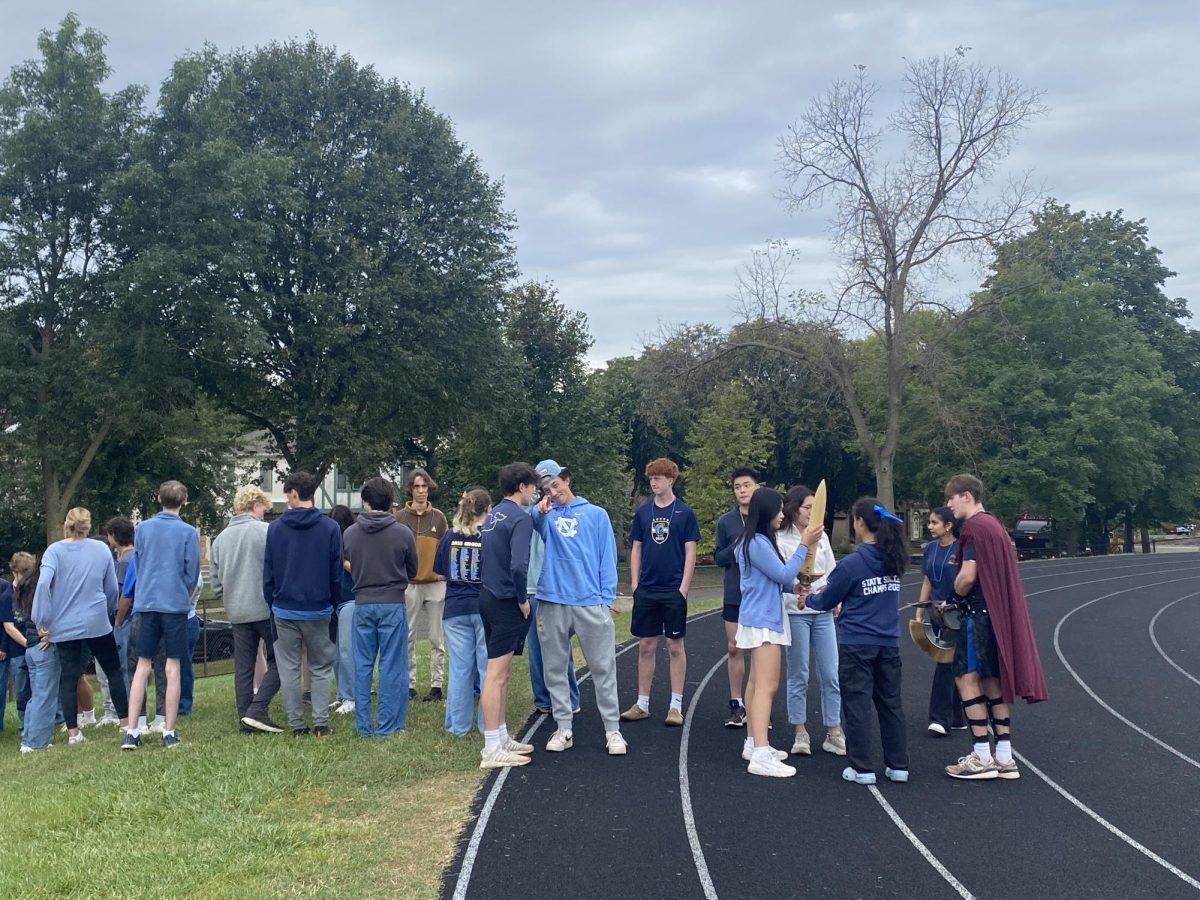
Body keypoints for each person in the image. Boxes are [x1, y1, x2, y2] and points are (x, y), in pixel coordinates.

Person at [943, 474, 1048, 781]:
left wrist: (952, 598)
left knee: (965, 678)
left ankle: (981, 757)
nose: (949, 504)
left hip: (977, 615)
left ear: (966, 495)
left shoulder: (974, 528)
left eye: (951, 498)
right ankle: (1004, 757)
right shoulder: (996, 526)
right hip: (995, 615)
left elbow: (968, 575)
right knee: (992, 681)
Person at [807, 499, 909, 785]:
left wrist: (809, 599)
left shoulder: (852, 563)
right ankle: (898, 765)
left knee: (858, 704)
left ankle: (862, 767)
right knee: (891, 704)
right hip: (888, 642)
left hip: (857, 643)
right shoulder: (894, 558)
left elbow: (826, 598)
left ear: (859, 523)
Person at [531, 459, 628, 757]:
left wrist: (606, 598)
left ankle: (613, 730)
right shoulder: (543, 516)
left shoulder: (596, 514)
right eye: (546, 489)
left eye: (556, 485)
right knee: (555, 668)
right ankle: (564, 727)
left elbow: (606, 558)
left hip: (589, 602)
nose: (553, 492)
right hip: (552, 600)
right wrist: (539, 509)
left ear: (567, 480)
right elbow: (533, 521)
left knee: (603, 667)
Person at [735, 488, 822, 777]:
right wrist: (805, 545)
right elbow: (784, 573)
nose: (783, 515)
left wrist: (795, 588)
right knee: (767, 686)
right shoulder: (757, 542)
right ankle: (760, 753)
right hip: (763, 621)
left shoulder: (755, 541)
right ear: (766, 512)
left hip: (758, 617)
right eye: (779, 511)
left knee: (755, 682)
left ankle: (754, 742)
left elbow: (776, 579)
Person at [29, 507, 130, 751]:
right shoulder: (101, 549)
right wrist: (108, 609)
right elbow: (111, 588)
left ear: (67, 523)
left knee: (70, 677)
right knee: (113, 671)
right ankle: (126, 723)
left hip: (63, 624)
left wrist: (41, 618)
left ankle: (74, 732)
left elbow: (43, 583)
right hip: (96, 620)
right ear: (88, 525)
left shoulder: (54, 551)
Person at [263, 470, 342, 737]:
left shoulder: (275, 529)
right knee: (320, 666)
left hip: (284, 607)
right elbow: (335, 572)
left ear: (294, 493)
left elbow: (269, 572)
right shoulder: (330, 528)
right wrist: (333, 601)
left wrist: (271, 600)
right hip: (319, 607)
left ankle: (297, 725)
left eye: (287, 495)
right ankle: (321, 723)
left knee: (289, 668)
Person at [621, 458, 699, 726]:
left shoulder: (685, 513)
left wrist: (683, 588)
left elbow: (691, 551)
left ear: (671, 480)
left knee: (675, 646)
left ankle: (675, 705)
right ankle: (642, 703)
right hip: (647, 589)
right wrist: (635, 584)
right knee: (645, 645)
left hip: (673, 590)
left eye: (659, 478)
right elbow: (637, 549)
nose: (654, 482)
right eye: (651, 478)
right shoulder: (643, 513)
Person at [123, 482, 200, 750]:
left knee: (142, 666)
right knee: (172, 667)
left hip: (147, 604)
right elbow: (192, 571)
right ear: (184, 501)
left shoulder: (142, 529)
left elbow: (140, 563)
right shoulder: (189, 532)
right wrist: (181, 591)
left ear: (158, 498)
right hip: (175, 605)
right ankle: (168, 730)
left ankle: (132, 731)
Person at [343, 476, 418, 737]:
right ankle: (388, 725)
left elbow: (349, 561)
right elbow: (413, 569)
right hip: (392, 603)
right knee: (391, 665)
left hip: (362, 602)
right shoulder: (403, 532)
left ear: (365, 502)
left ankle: (364, 726)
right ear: (390, 503)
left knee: (362, 665)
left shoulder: (350, 533)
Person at [476, 463, 538, 768]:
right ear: (523, 486)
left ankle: (501, 736)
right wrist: (522, 598)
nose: (535, 492)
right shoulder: (520, 519)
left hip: (486, 596)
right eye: (534, 487)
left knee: (502, 673)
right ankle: (491, 748)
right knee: (496, 675)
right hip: (505, 601)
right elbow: (517, 565)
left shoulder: (492, 516)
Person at [777, 486, 845, 757]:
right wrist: (799, 587)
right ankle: (800, 731)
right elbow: (783, 573)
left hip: (822, 613)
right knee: (799, 673)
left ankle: (833, 730)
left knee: (830, 672)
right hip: (795, 613)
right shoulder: (781, 538)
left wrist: (834, 596)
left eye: (816, 508)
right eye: (808, 507)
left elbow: (832, 572)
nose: (812, 513)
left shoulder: (823, 538)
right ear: (794, 509)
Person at [209, 485, 281, 734]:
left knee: (243, 666)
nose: (265, 513)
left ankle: (245, 716)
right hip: (265, 607)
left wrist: (230, 596)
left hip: (237, 610)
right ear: (255, 505)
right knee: (281, 660)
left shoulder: (219, 540)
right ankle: (257, 709)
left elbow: (216, 584)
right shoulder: (267, 532)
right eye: (263, 508)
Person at [435, 487, 490, 737]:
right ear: (488, 510)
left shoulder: (448, 536)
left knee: (459, 669)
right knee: (487, 668)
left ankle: (457, 726)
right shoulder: (488, 536)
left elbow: (439, 572)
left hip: (455, 607)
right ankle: (487, 724)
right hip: (483, 606)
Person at [523, 492, 579, 716]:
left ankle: (569, 698)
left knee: (560, 647)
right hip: (534, 589)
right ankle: (544, 699)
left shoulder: (567, 516)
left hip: (557, 590)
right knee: (537, 649)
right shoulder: (529, 514)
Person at [395, 468, 448, 702]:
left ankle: (437, 685)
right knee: (408, 636)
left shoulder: (439, 517)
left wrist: (443, 573)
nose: (421, 491)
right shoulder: (398, 517)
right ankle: (409, 684)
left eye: (424, 486)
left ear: (429, 489)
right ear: (410, 489)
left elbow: (447, 548)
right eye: (416, 486)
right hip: (410, 584)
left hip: (434, 583)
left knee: (437, 637)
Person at [714, 468, 759, 728]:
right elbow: (719, 557)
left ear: (756, 487)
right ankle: (737, 704)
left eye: (746, 485)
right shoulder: (726, 522)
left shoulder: (767, 518)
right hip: (734, 594)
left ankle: (759, 704)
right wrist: (737, 545)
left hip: (760, 595)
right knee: (734, 648)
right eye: (737, 487)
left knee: (760, 651)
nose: (742, 490)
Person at [916, 506, 966, 736]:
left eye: (934, 522)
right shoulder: (931, 549)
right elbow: (928, 580)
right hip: (935, 613)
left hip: (956, 614)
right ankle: (957, 716)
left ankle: (940, 718)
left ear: (948, 526)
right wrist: (920, 609)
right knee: (953, 663)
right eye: (929, 522)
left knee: (944, 662)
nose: (930, 526)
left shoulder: (961, 549)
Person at [329, 505, 357, 716]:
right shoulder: (332, 542)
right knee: (337, 654)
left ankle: (352, 697)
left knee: (347, 651)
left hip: (350, 599)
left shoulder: (352, 543)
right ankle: (342, 694)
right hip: (335, 601)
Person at [5, 553, 38, 727]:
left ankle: (54, 716)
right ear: (15, 572)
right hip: (19, 650)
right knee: (22, 688)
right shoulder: (7, 596)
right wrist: (29, 643)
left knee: (40, 685)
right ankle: (24, 722)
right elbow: (9, 627)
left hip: (36, 644)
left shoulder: (32, 592)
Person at [0, 571, 13, 735]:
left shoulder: (3, 586)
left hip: (1, 647)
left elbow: (6, 619)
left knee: (0, 689)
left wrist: (3, 646)